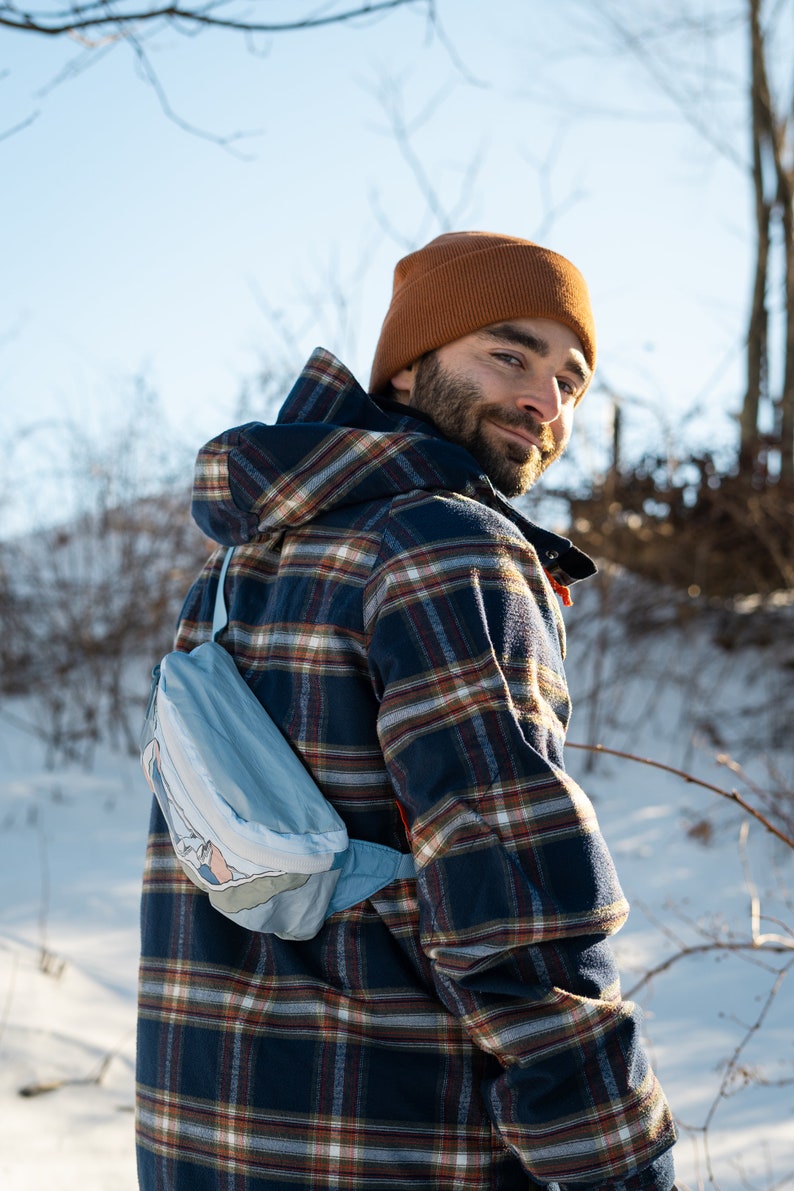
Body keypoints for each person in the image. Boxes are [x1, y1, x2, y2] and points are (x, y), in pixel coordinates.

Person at [136, 231, 678, 1190]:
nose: (543, 401)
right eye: (508, 354)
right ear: (409, 369)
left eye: (571, 380)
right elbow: (516, 900)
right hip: (402, 1138)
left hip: (207, 1135)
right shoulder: (447, 547)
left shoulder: (234, 570)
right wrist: (620, 1158)